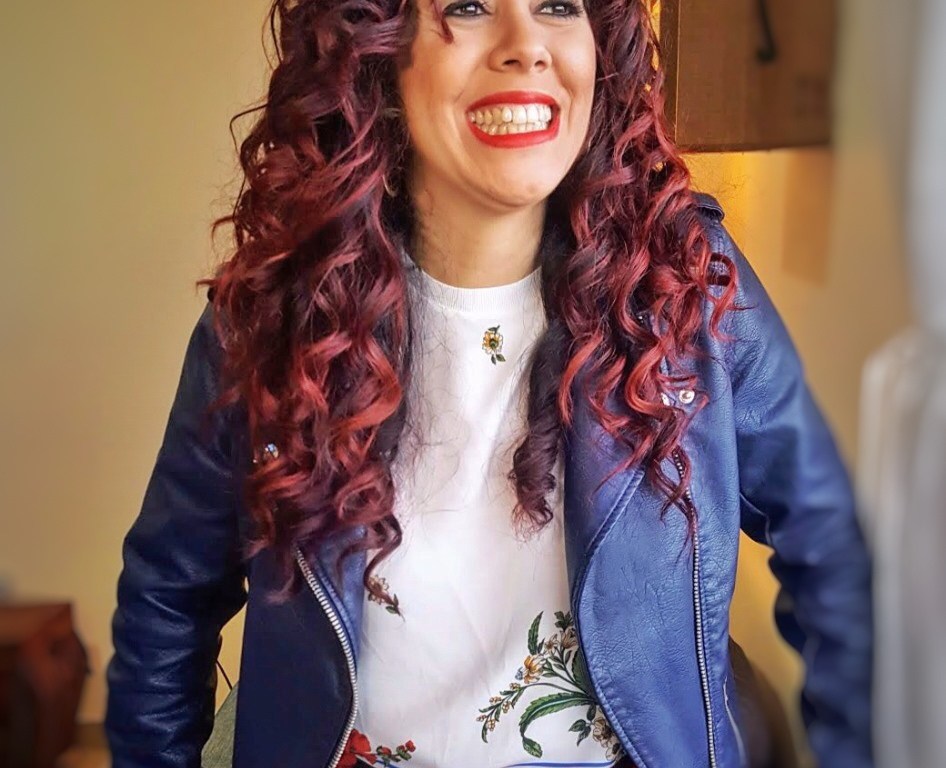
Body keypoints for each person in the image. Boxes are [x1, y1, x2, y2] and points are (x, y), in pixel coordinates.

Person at [104, 1, 874, 766]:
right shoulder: (273, 317)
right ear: (379, 51)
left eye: (558, 6)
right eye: (469, 7)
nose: (526, 46)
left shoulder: (686, 283)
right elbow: (167, 600)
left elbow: (830, 542)